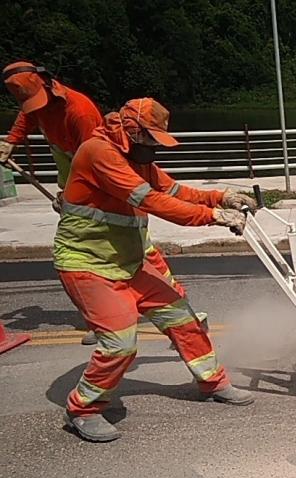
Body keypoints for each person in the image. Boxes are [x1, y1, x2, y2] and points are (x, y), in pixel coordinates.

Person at [56, 97, 257, 442]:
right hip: (89, 265)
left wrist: (220, 198)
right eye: (149, 139)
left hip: (130, 262)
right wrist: (212, 218)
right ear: (131, 131)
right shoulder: (99, 153)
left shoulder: (136, 157)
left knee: (184, 320)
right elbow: (150, 201)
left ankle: (213, 382)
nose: (153, 148)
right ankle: (83, 409)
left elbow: (173, 189)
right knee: (120, 344)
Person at [0, 61, 206, 346]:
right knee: (124, 256)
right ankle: (114, 318)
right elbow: (29, 116)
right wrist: (12, 141)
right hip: (82, 187)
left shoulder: (79, 112)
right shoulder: (41, 107)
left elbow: (98, 165)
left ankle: (177, 311)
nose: (32, 109)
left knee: (141, 252)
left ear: (48, 85)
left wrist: (74, 197)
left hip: (106, 188)